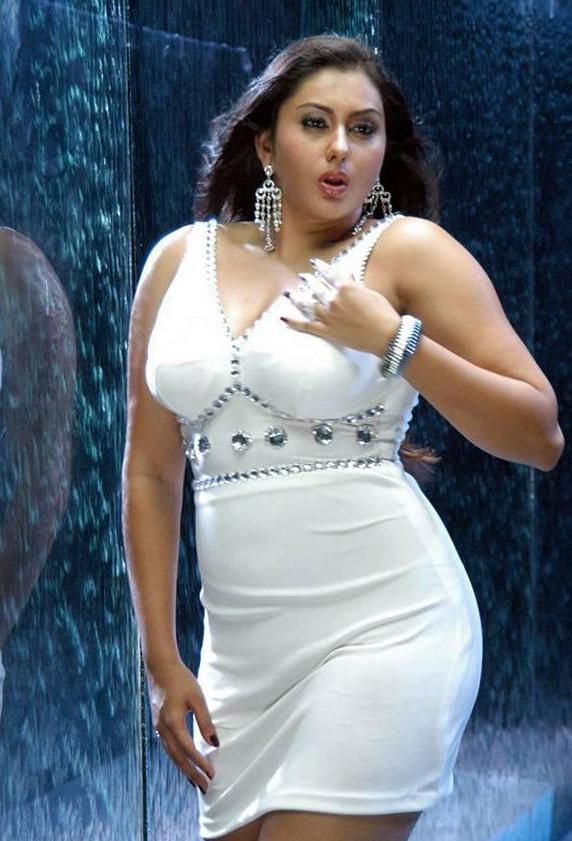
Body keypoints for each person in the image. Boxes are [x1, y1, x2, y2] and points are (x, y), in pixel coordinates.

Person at [122, 34, 564, 841]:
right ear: (266, 145)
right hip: (239, 665)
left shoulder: (407, 253)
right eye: (315, 123)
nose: (340, 148)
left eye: (364, 130)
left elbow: (540, 433)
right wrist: (160, 657)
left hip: (388, 630)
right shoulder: (176, 262)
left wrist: (393, 340)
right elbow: (151, 472)